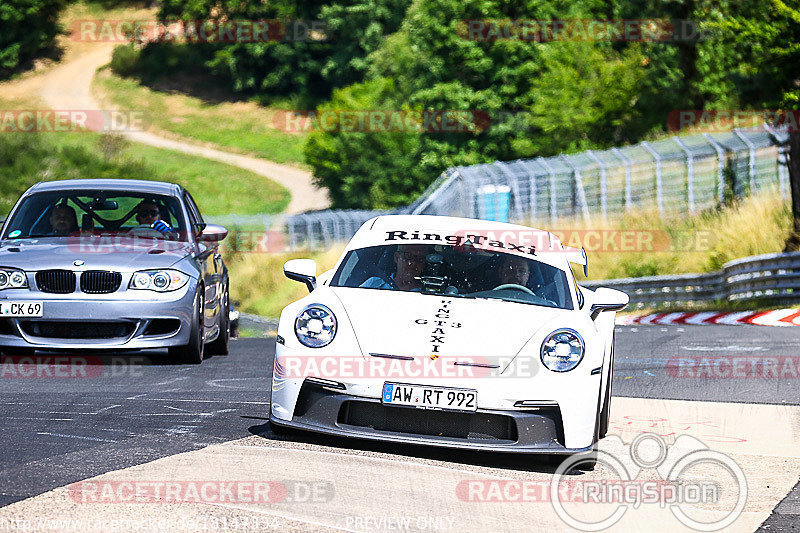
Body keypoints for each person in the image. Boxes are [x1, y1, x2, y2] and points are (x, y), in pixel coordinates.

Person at [360, 244, 427, 291]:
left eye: (420, 259)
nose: (413, 263)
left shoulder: (428, 291)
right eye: (408, 256)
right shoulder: (375, 283)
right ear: (397, 258)